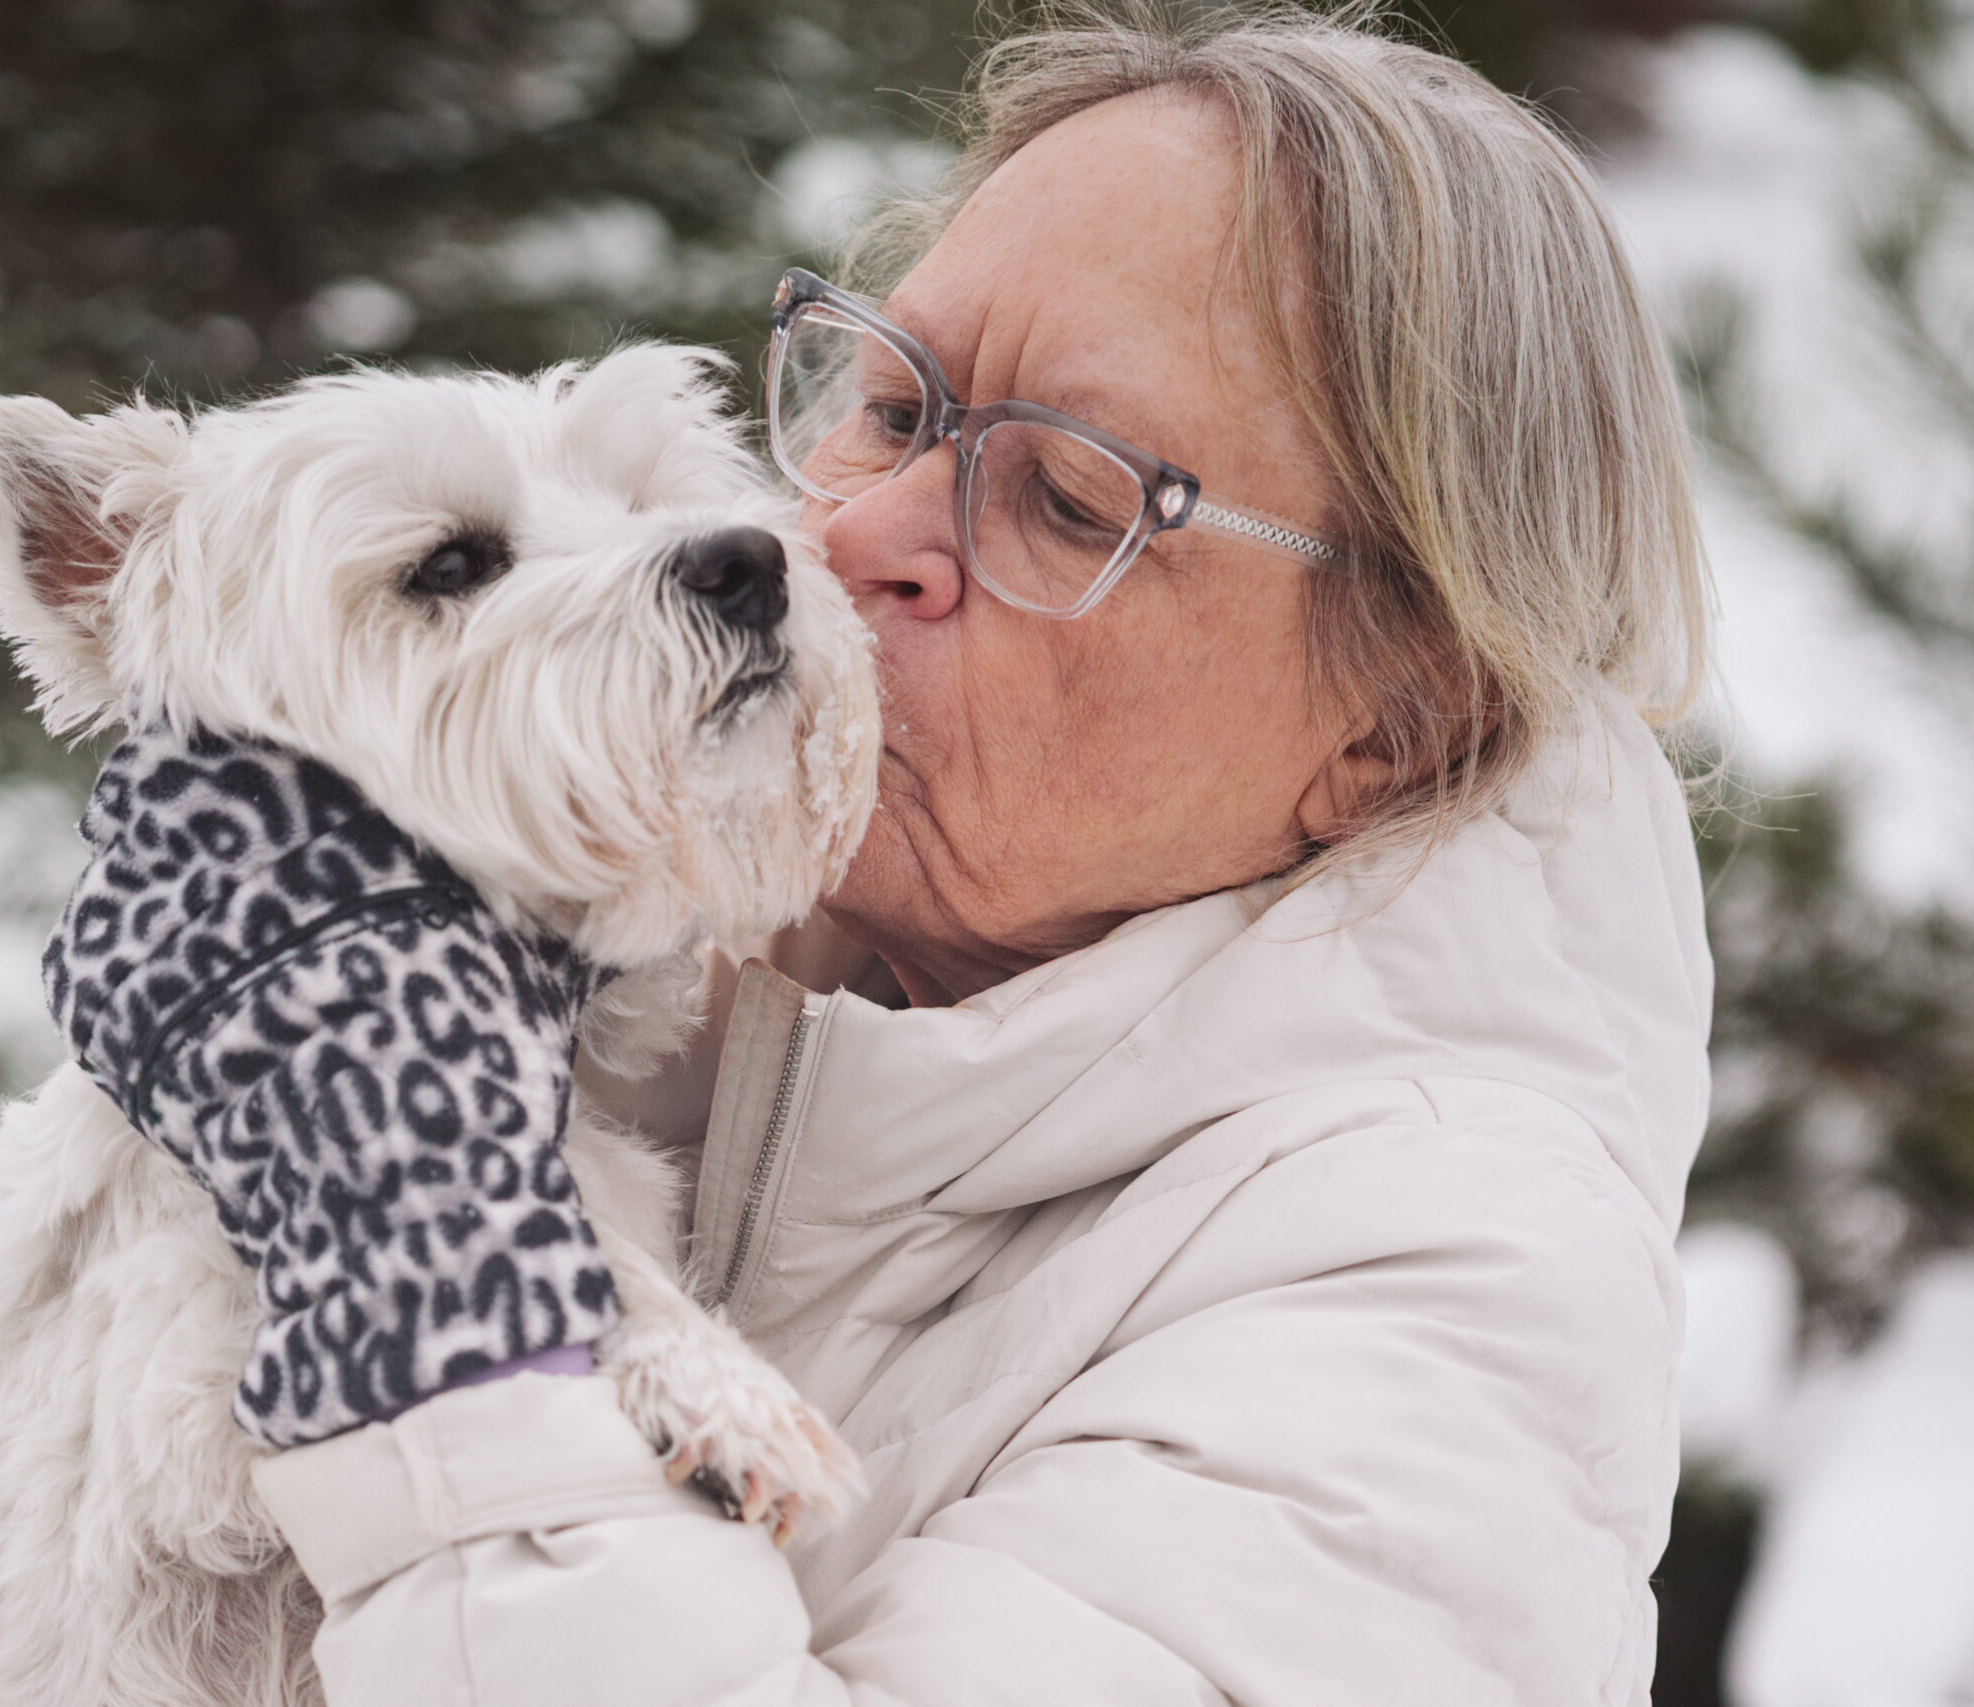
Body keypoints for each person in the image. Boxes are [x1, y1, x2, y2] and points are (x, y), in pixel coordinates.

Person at [230, 7, 1716, 1701]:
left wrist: (393, 1195)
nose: (858, 535)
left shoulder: (1454, 1308)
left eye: (1070, 502)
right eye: (886, 402)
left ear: (1400, 719)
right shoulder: (617, 984)